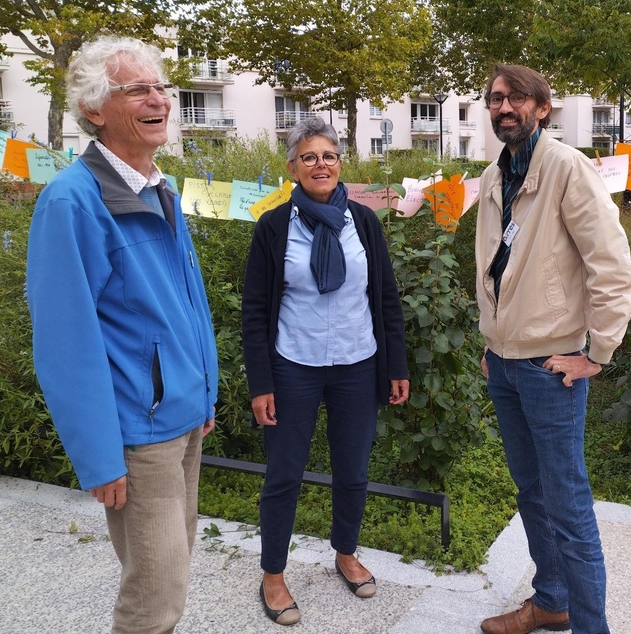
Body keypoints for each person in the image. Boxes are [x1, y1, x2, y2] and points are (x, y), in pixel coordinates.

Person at [26, 36, 218, 634]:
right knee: (153, 598)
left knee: (173, 570)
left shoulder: (159, 185)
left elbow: (188, 302)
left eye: (161, 87)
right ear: (94, 108)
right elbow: (65, 343)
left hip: (183, 417)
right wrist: (99, 456)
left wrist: (205, 393)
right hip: (139, 432)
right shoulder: (72, 202)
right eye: (138, 89)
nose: (159, 99)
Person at [475, 65, 631, 634]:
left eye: (517, 97)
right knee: (532, 493)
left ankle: (591, 627)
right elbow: (495, 266)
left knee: (566, 503)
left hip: (551, 368)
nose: (504, 107)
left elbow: (611, 266)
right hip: (504, 363)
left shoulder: (567, 168)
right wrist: (493, 340)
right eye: (496, 99)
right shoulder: (495, 175)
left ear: (542, 108)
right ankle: (551, 602)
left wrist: (598, 351)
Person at [241, 116, 409, 625]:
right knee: (284, 473)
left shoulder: (364, 222)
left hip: (358, 364)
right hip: (294, 365)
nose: (321, 164)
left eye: (329, 156)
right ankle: (273, 574)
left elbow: (385, 297)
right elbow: (254, 310)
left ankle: (346, 552)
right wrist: (260, 382)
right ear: (292, 167)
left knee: (353, 470)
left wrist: (395, 365)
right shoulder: (274, 227)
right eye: (309, 157)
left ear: (340, 164)